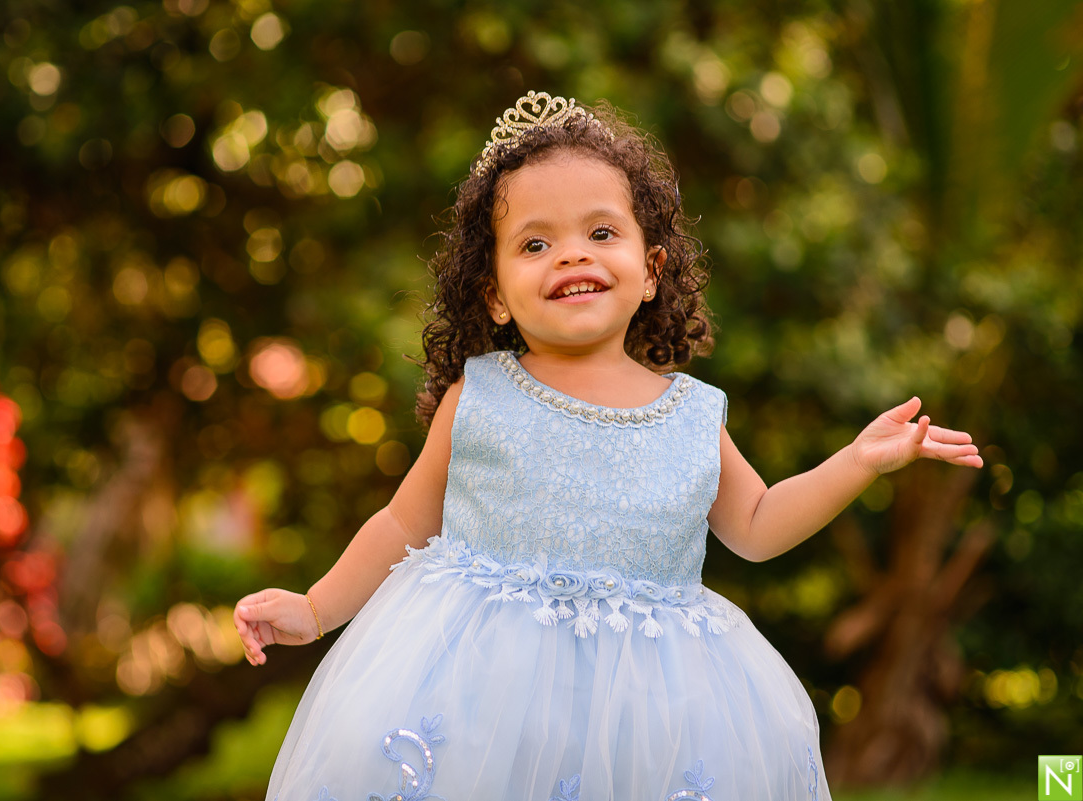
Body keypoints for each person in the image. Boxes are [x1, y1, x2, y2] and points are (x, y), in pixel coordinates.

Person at [233, 91, 982, 801]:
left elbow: (755, 525)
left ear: (651, 269)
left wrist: (858, 460)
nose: (571, 255)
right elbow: (402, 524)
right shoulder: (479, 395)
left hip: (647, 716)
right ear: (493, 291)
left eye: (601, 232)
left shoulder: (692, 415)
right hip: (482, 699)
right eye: (535, 242)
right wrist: (316, 606)